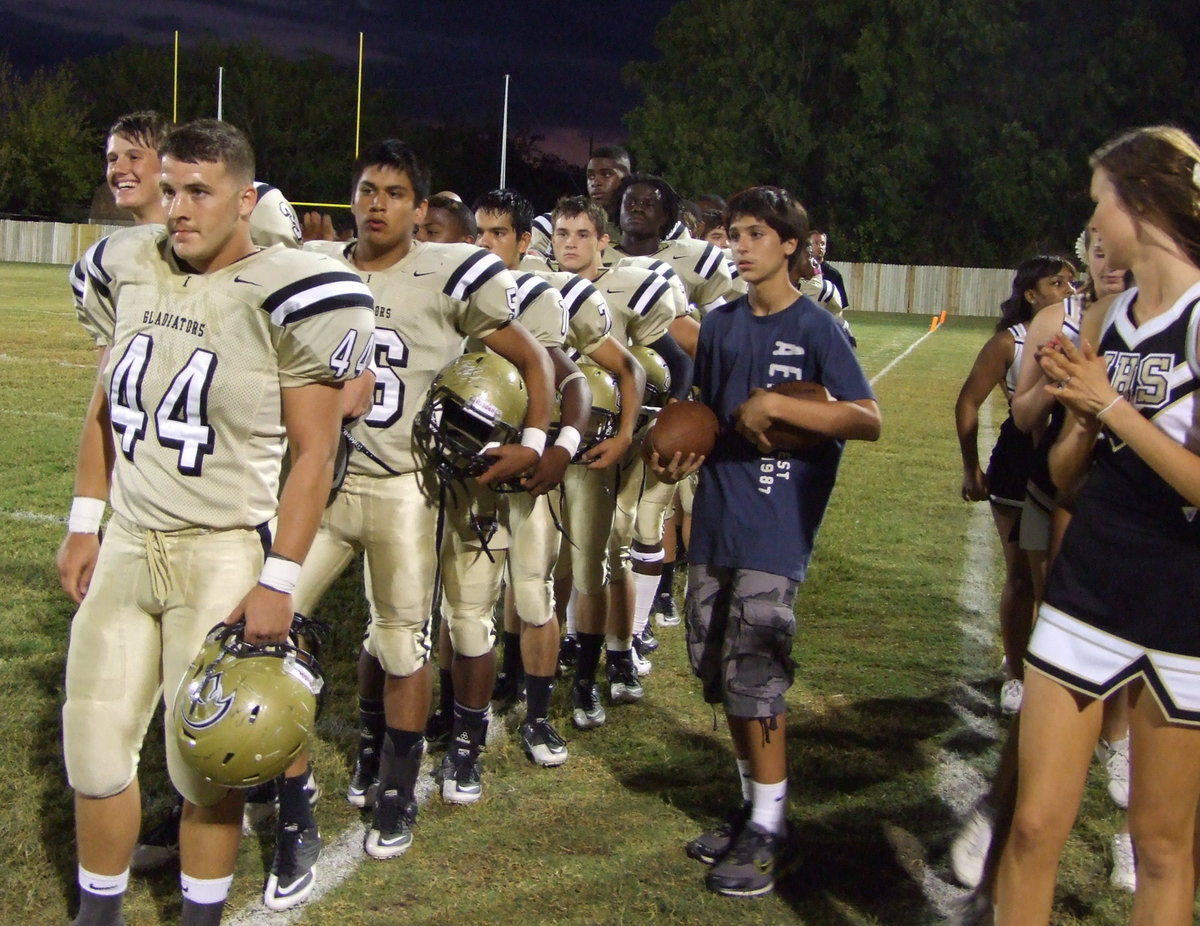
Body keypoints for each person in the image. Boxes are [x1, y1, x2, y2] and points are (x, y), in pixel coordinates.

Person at [56, 118, 375, 926]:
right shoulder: (126, 266)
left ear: (246, 199)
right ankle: (100, 916)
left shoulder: (289, 290)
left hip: (220, 551)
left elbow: (314, 453)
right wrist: (84, 520)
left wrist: (279, 579)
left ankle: (199, 917)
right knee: (93, 755)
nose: (180, 208)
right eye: (169, 189)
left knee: (208, 762)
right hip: (129, 541)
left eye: (200, 191)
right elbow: (104, 410)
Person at [294, 140, 552, 865]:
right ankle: (286, 783)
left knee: (403, 641)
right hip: (322, 484)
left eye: (395, 192)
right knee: (270, 620)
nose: (377, 203)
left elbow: (535, 359)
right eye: (368, 189)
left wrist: (534, 440)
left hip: (406, 486)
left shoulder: (449, 273)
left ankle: (399, 789)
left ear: (419, 207)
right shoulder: (316, 269)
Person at [993, 125, 1200, 925]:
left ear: (1142, 203)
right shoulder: (1108, 318)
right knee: (1036, 825)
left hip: (1183, 603)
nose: (1094, 225)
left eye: (1100, 204)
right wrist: (1080, 415)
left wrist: (1111, 403)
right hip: (1089, 590)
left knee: (1163, 845)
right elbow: (1065, 476)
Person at [648, 186, 880, 897]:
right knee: (716, 671)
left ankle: (774, 830)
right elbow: (708, 419)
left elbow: (868, 418)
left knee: (755, 672)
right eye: (735, 234)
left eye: (755, 234)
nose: (739, 245)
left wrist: (779, 403)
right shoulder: (718, 325)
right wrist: (674, 453)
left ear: (790, 246)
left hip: (776, 523)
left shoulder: (817, 327)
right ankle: (756, 809)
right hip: (718, 513)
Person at [955, 255, 1075, 714]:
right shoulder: (1012, 341)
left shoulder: (1088, 329)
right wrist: (971, 469)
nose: (1067, 288)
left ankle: (1055, 670)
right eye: (1056, 282)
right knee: (1022, 578)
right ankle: (1016, 673)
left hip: (1071, 460)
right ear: (1031, 295)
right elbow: (968, 402)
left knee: (1062, 581)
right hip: (1020, 461)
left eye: (1070, 281)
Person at [808, 229, 849, 311]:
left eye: (822, 244)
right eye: (816, 243)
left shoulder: (834, 275)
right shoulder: (801, 272)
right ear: (808, 246)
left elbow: (841, 304)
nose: (820, 246)